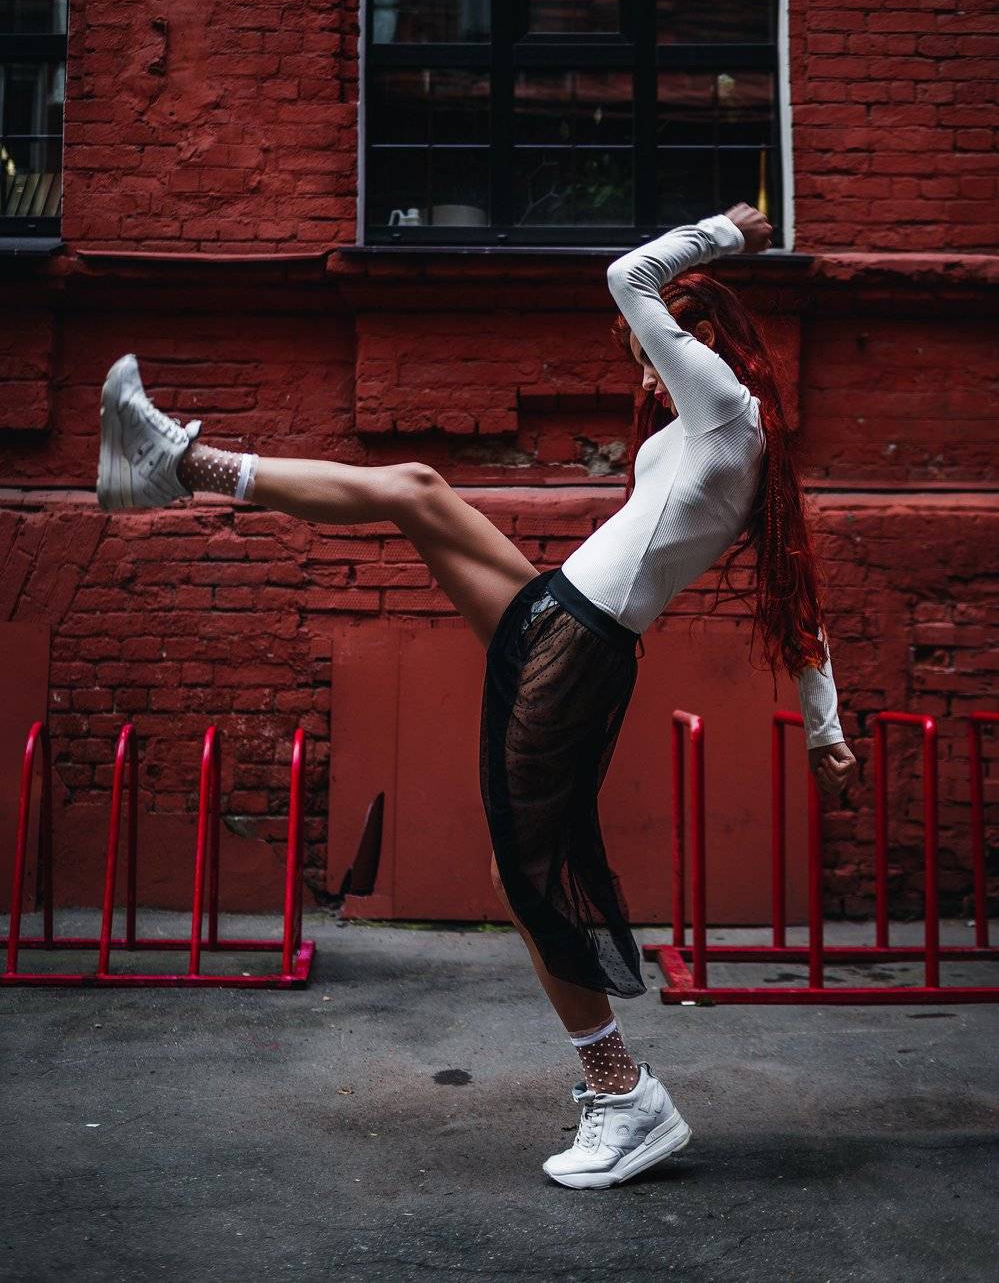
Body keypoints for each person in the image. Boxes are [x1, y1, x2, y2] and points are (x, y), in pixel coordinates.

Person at [95, 202, 858, 1190]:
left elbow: (628, 274)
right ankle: (177, 466)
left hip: (577, 647)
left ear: (697, 335)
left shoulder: (719, 405)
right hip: (556, 612)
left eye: (647, 350)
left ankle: (623, 1095)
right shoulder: (707, 428)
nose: (641, 369)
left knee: (526, 875)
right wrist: (824, 730)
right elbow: (800, 600)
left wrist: (726, 231)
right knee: (416, 487)